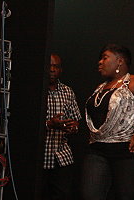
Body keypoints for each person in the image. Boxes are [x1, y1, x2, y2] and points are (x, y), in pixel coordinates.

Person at [81, 44, 134, 200]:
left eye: (105, 58)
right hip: (98, 149)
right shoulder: (100, 88)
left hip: (128, 149)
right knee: (90, 194)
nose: (100, 62)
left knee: (128, 195)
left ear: (120, 61)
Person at [43, 53, 81, 200]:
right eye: (49, 66)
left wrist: (73, 126)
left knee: (62, 195)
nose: (52, 69)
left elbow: (76, 120)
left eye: (56, 66)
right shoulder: (36, 89)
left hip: (61, 157)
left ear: (61, 70)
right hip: (40, 156)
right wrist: (50, 124)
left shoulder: (67, 91)